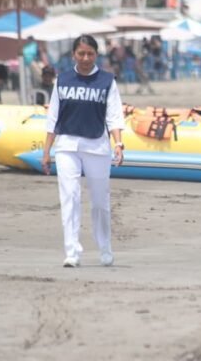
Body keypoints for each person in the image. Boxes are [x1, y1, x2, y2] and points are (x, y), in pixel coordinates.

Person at [42, 35, 126, 268]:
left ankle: (105, 248)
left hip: (97, 146)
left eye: (90, 54)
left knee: (100, 202)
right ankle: (72, 251)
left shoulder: (107, 81)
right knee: (70, 197)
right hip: (67, 146)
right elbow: (53, 118)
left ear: (96, 55)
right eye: (81, 54)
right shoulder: (63, 80)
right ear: (73, 55)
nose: (86, 58)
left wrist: (118, 144)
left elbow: (114, 116)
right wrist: (46, 152)